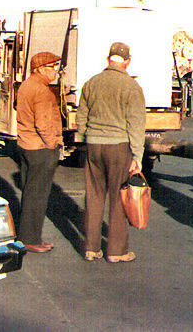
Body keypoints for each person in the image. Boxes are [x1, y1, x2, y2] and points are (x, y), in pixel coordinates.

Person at [76, 42, 145, 263]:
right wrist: (138, 156)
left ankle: (91, 248)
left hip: (94, 145)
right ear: (127, 61)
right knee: (118, 197)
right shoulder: (131, 87)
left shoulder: (91, 83)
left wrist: (87, 136)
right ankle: (116, 251)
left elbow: (81, 116)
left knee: (94, 195)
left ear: (108, 59)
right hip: (119, 146)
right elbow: (136, 124)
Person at [16, 51, 63, 253]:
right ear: (41, 69)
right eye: (53, 67)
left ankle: (29, 237)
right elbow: (43, 123)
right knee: (38, 196)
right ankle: (30, 240)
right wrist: (53, 144)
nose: (56, 71)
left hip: (26, 145)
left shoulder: (27, 85)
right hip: (41, 149)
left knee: (29, 193)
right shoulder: (42, 91)